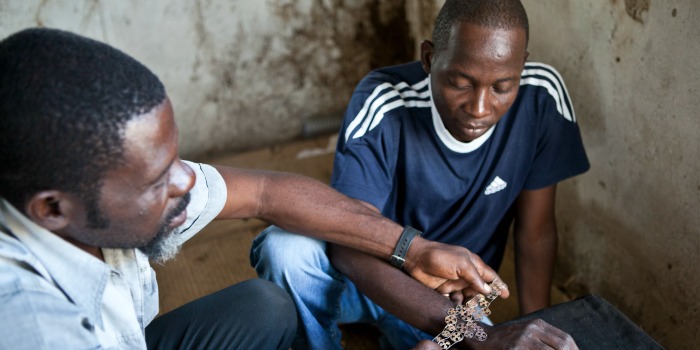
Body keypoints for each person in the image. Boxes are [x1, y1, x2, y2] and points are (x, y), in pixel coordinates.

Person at [0, 27, 517, 350]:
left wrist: (414, 249)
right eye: (155, 181)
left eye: (175, 159)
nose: (185, 182)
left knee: (263, 306)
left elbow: (267, 193)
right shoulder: (30, 323)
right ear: (51, 209)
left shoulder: (90, 192)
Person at [252, 0, 589, 349]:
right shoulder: (386, 100)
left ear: (523, 66)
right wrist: (475, 332)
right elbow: (347, 244)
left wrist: (536, 327)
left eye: (502, 88)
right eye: (459, 83)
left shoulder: (541, 97)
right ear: (429, 59)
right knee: (285, 248)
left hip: (447, 301)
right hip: (360, 278)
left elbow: (536, 233)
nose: (479, 108)